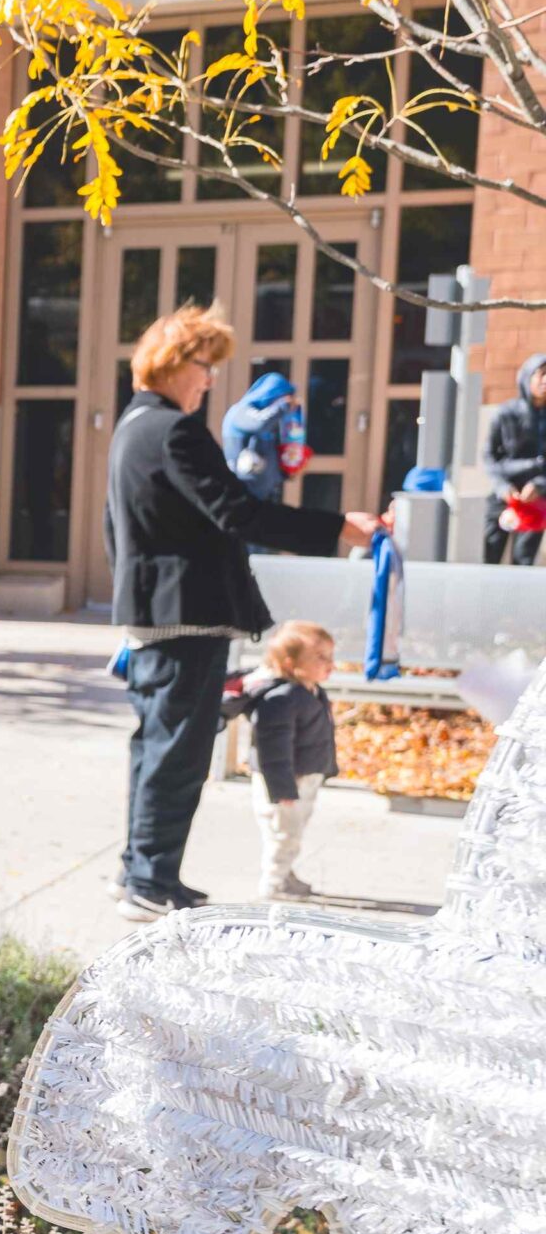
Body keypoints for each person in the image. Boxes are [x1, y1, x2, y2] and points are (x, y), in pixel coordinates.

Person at [106, 305, 381, 922]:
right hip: (187, 616)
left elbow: (115, 528)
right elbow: (238, 511)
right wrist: (338, 526)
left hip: (154, 614)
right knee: (178, 754)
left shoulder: (132, 426)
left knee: (155, 747)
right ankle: (151, 882)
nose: (209, 381)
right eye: (205, 367)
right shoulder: (175, 431)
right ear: (176, 363)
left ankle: (138, 871)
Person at [237, 620, 340, 901]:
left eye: (331, 656)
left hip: (305, 777)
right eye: (320, 658)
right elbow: (273, 749)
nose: (330, 664)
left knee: (292, 831)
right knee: (283, 833)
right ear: (289, 662)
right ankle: (273, 882)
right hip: (284, 783)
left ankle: (284, 872)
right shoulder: (282, 698)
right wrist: (282, 789)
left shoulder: (311, 689)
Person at [481, 352, 546, 566]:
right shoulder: (506, 413)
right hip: (504, 496)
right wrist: (502, 487)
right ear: (528, 378)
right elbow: (489, 456)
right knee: (491, 555)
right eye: (542, 374)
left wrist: (539, 485)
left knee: (523, 559)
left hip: (535, 499)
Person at [220, 369, 305, 505]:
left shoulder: (272, 421)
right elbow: (259, 424)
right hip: (242, 495)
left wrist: (287, 469)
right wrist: (283, 406)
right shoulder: (240, 411)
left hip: (263, 497)